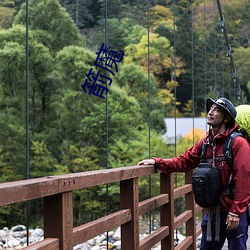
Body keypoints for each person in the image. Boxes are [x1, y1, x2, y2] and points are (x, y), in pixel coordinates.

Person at [137, 97, 250, 250]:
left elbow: (244, 178)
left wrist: (236, 212)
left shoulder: (238, 143)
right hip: (213, 211)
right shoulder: (205, 143)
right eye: (210, 109)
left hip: (233, 211)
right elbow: (184, 161)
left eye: (216, 110)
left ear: (227, 118)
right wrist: (157, 162)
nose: (210, 112)